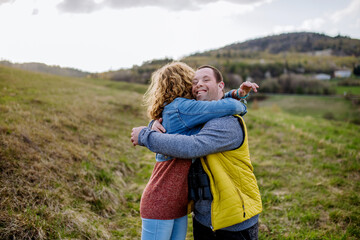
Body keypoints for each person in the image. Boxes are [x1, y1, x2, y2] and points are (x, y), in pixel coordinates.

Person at [131, 65, 262, 240]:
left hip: (233, 220)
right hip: (203, 217)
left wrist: (146, 136)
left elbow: (193, 146)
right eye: (194, 81)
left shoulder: (226, 123)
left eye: (206, 80)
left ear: (221, 85)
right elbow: (179, 121)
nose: (199, 84)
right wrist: (152, 125)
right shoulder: (198, 118)